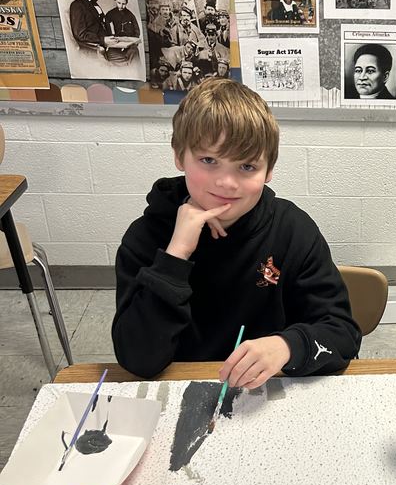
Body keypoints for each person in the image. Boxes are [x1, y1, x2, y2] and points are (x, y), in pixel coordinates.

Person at [112, 77, 361, 383]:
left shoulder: (293, 230)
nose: (227, 183)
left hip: (269, 389)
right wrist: (175, 256)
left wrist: (287, 346)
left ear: (268, 171)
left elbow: (343, 334)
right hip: (182, 385)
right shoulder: (145, 237)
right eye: (208, 160)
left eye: (247, 167)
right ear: (179, 156)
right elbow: (137, 359)